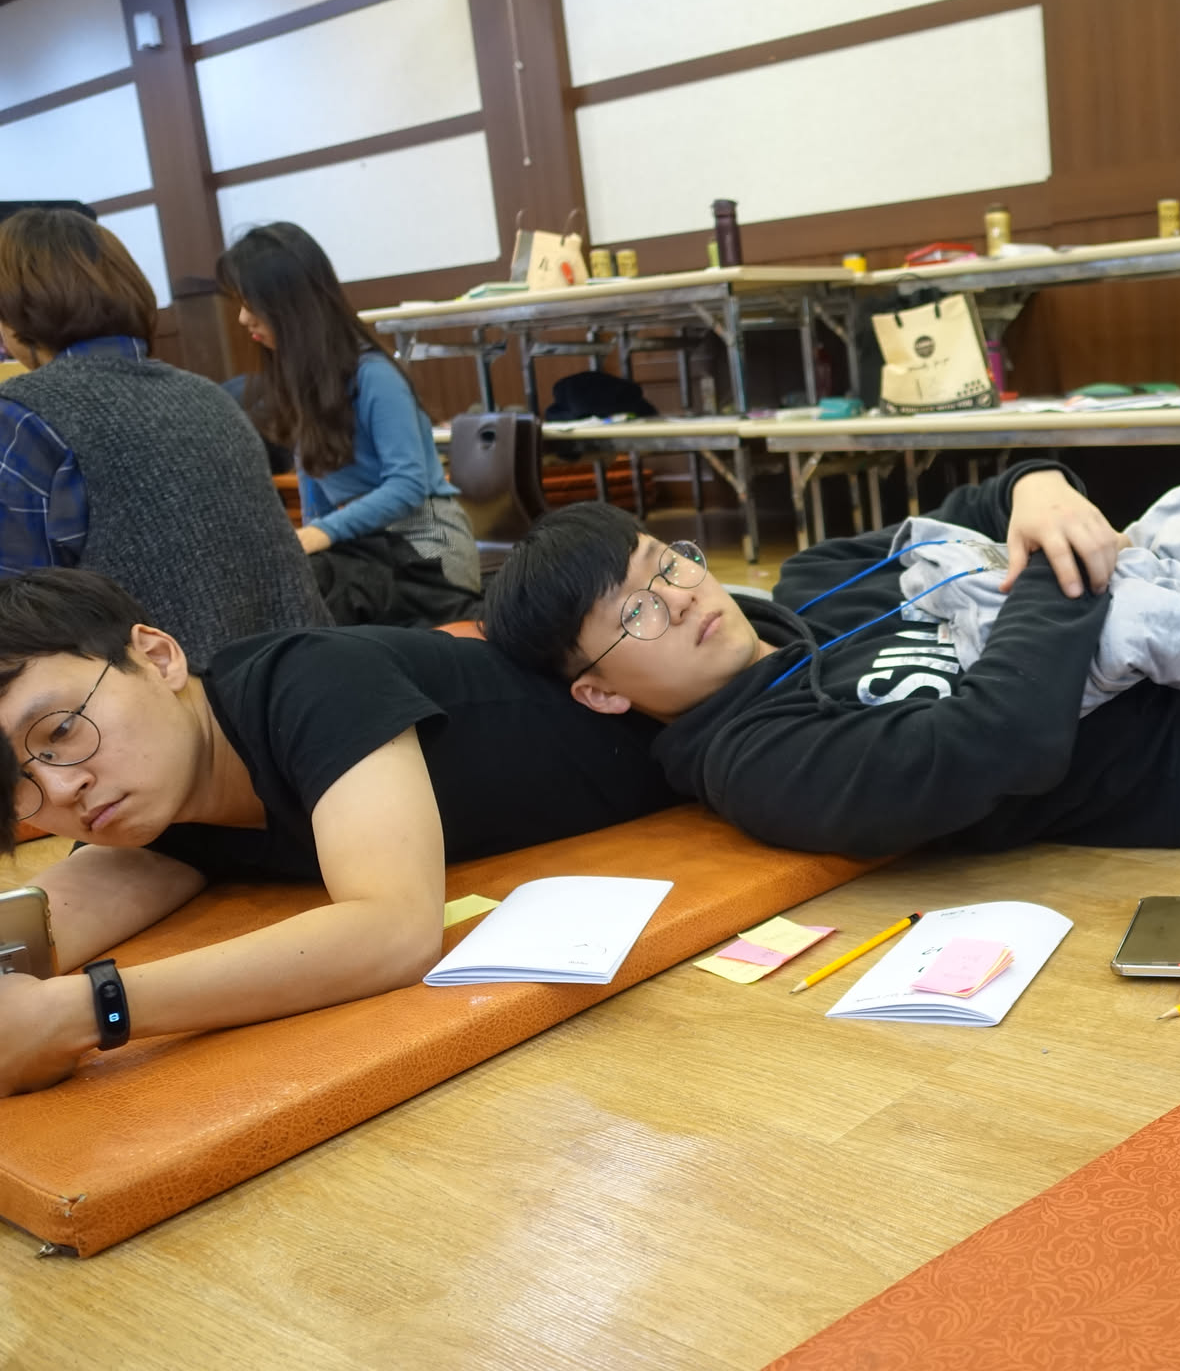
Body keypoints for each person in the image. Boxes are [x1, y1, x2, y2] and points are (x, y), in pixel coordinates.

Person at [480, 348, 1180, 859]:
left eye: (666, 563)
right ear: (601, 692)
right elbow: (1000, 740)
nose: (680, 598)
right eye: (634, 614)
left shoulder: (814, 583)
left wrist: (1041, 491)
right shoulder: (762, 765)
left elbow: (982, 501)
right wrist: (1058, 562)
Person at [0, 568, 682, 1096]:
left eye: (63, 729)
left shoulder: (311, 682)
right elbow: (40, 925)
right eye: (17, 783)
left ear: (156, 656)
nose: (58, 789)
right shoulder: (154, 805)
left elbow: (394, 930)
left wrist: (85, 1012)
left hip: (695, 736)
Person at [0, 207, 328, 659]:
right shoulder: (209, 395)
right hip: (297, 676)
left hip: (161, 692)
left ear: (15, 315)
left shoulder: (21, 415)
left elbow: (17, 618)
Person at [215, 222, 482, 596]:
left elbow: (407, 485)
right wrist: (310, 544)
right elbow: (314, 496)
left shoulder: (373, 374)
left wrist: (321, 533)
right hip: (365, 547)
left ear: (291, 304)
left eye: (251, 303)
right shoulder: (301, 381)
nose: (244, 318)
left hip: (425, 545)